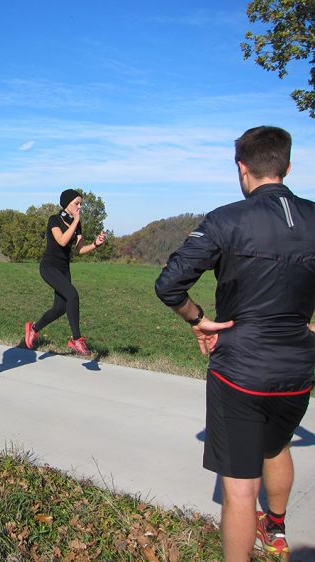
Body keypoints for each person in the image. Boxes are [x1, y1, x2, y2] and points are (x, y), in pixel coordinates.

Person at [155, 126, 315, 561]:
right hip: (299, 368)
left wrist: (201, 320)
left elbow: (169, 284)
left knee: (241, 490)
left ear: (242, 168)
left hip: (240, 368)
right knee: (276, 445)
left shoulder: (226, 218)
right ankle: (276, 531)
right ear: (287, 165)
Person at [23, 189, 106, 356]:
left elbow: (80, 249)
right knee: (73, 295)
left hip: (64, 269)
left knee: (60, 308)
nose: (80, 207)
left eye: (81, 204)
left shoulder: (77, 223)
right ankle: (76, 339)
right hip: (49, 267)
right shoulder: (54, 219)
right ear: (66, 203)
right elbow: (62, 240)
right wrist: (76, 221)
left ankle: (33, 328)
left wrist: (96, 244)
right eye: (76, 203)